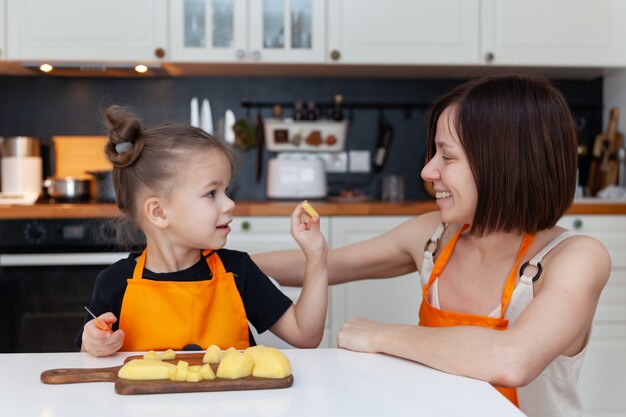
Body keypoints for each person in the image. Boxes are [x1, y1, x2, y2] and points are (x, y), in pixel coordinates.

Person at [252, 74, 611, 416]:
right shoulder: (435, 236)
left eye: (447, 157)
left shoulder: (575, 258)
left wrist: (379, 334)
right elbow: (326, 265)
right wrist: (221, 262)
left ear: (504, 164)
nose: (427, 171)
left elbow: (511, 360)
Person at [76, 105, 328, 357]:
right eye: (211, 193)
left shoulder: (238, 271)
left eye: (226, 191)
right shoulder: (114, 283)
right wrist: (93, 343)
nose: (230, 204)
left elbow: (305, 335)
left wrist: (316, 256)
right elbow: (88, 354)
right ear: (159, 212)